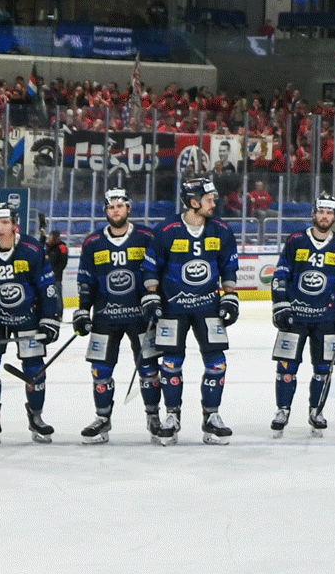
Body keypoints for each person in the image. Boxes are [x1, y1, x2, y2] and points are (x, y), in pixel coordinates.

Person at [148, 183, 239, 442]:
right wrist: (152, 296)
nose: (214, 204)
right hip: (172, 308)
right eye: (209, 199)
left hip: (208, 307)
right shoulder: (167, 230)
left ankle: (211, 416)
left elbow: (229, 267)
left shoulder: (221, 230)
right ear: (194, 202)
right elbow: (151, 266)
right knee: (171, 362)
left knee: (217, 362)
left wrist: (230, 296)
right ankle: (172, 415)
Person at [72, 183, 161, 443]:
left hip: (140, 316)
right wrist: (82, 311)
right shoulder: (92, 242)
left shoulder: (146, 237)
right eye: (111, 207)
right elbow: (86, 280)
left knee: (149, 369)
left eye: (120, 206)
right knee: (100, 370)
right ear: (105, 211)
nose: (115, 210)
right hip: (105, 317)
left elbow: (157, 272)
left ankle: (153, 416)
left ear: (129, 208)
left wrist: (156, 301)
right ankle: (102, 418)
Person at [0, 201, 59, 443]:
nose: (0, 227)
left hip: (27, 316)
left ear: (15, 224)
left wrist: (50, 318)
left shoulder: (32, 249)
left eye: (5, 222)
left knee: (34, 369)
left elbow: (46, 287)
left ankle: (36, 417)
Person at [267, 194, 335, 434]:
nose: (325, 216)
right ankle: (283, 409)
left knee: (323, 369)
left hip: (326, 318)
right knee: (286, 366)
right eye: (321, 211)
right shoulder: (296, 241)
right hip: (295, 317)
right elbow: (281, 276)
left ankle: (316, 410)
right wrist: (281, 305)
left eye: (329, 212)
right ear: (314, 214)